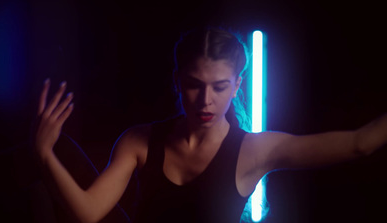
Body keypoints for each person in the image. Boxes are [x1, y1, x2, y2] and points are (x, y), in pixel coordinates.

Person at [33, 27, 387, 223]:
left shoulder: (254, 151)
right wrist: (45, 153)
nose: (206, 101)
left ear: (237, 87)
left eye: (219, 87)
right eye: (194, 85)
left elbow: (361, 142)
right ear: (176, 81)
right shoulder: (140, 141)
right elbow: (88, 212)